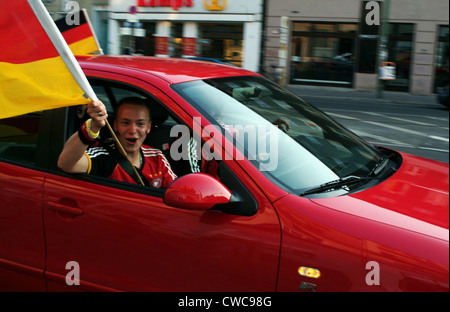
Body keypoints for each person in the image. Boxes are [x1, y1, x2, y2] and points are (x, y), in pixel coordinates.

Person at [58, 97, 177, 188]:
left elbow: (176, 191)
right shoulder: (102, 157)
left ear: (148, 127)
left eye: (140, 124)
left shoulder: (157, 157)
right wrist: (93, 126)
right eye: (125, 123)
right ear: (115, 125)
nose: (132, 130)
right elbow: (66, 164)